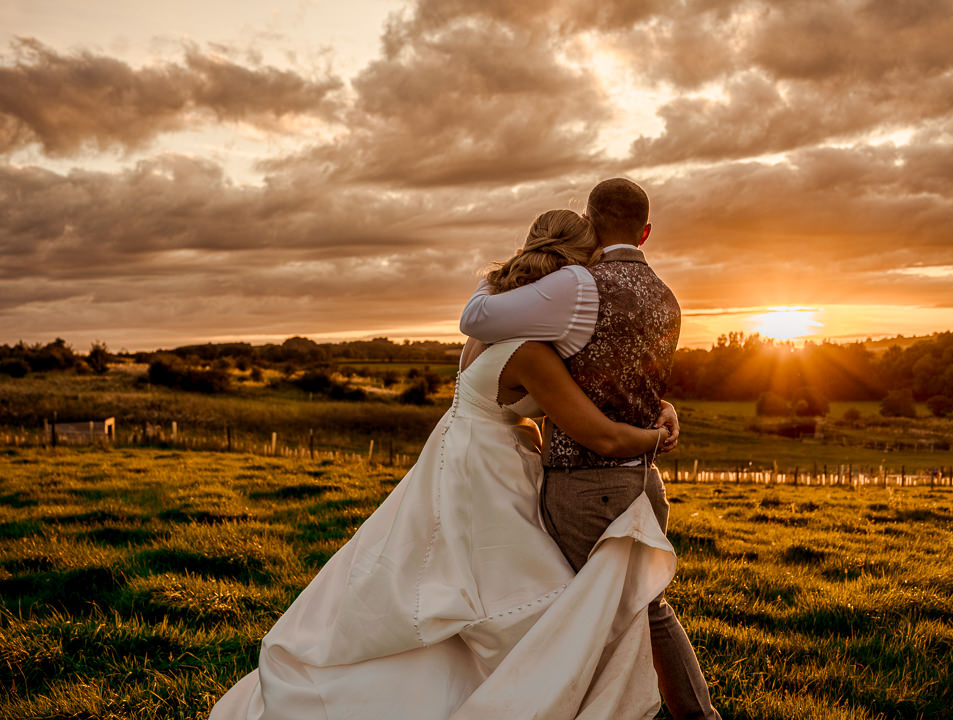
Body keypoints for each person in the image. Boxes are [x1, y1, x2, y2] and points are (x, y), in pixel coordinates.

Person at [210, 209, 681, 720]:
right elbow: (598, 430)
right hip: (491, 472)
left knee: (463, 597)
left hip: (463, 454)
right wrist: (656, 434)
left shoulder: (495, 327)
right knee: (532, 600)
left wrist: (658, 402)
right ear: (571, 274)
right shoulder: (531, 351)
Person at [460, 179, 721, 720]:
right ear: (646, 231)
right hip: (644, 478)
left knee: (597, 615)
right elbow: (627, 379)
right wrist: (664, 415)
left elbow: (482, 322)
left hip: (586, 482)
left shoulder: (581, 285)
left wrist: (497, 280)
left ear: (591, 222)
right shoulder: (667, 297)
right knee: (640, 609)